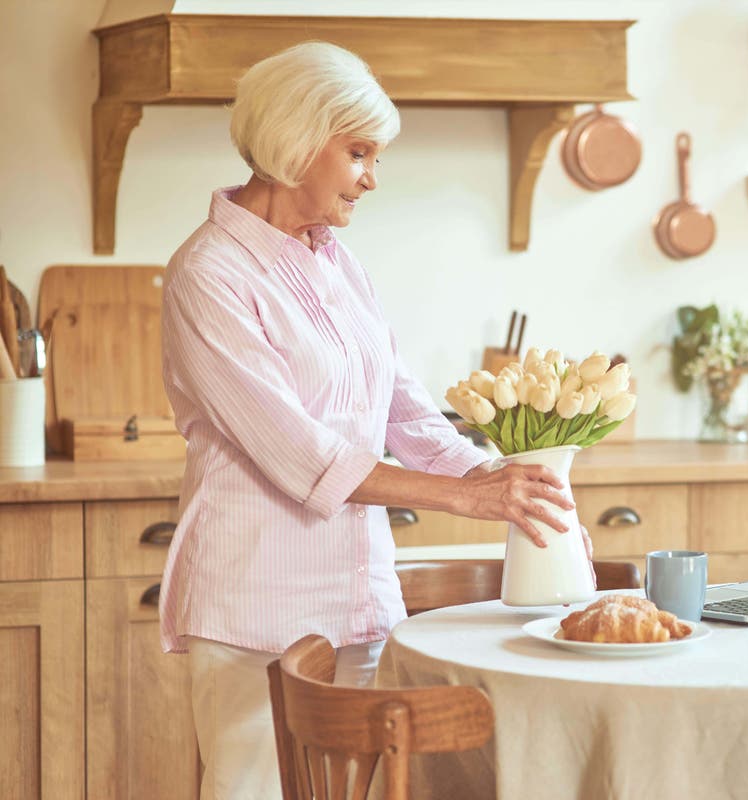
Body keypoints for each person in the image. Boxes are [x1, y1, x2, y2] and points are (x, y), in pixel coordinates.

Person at [158, 41, 587, 800]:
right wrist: (470, 500)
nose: (371, 178)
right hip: (259, 605)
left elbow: (402, 406)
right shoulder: (209, 275)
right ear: (297, 139)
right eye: (358, 152)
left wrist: (499, 478)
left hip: (357, 598)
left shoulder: (336, 262)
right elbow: (301, 454)